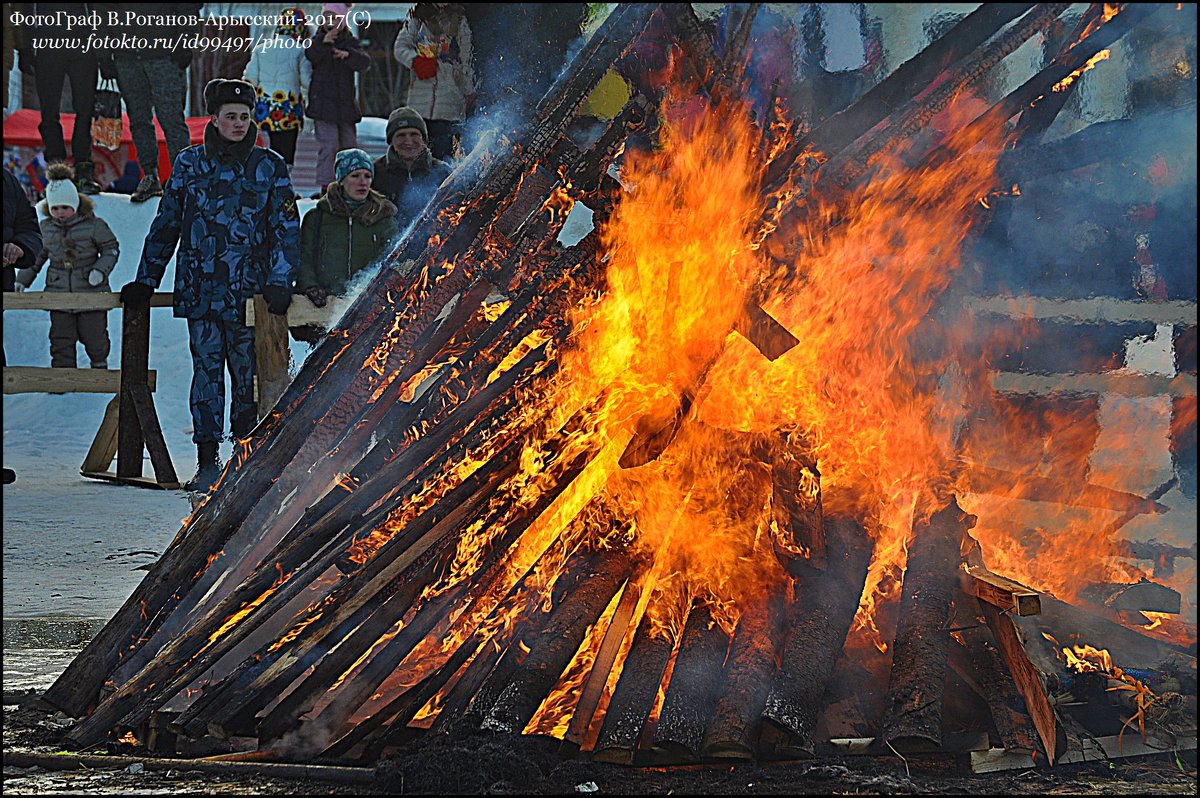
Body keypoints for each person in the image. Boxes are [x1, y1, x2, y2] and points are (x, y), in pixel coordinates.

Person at [121, 78, 300, 492]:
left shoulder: (269, 166)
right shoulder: (188, 164)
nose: (238, 123)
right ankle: (206, 462)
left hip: (249, 294)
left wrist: (279, 279)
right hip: (200, 290)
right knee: (205, 376)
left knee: (246, 376)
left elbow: (285, 227)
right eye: (230, 117)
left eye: (244, 116)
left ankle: (245, 458)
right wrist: (147, 280)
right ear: (214, 120)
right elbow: (165, 225)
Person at [93, 2, 202, 202]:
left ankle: (184, 179)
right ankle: (150, 177)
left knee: (171, 119)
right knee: (139, 120)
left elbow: (187, 8)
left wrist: (185, 42)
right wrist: (103, 55)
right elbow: (101, 13)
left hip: (165, 55)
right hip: (125, 57)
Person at [14, 162, 117, 369]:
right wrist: (21, 280)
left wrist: (99, 269)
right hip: (58, 290)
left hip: (90, 290)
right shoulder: (45, 228)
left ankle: (99, 367)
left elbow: (110, 248)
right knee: (61, 338)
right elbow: (36, 259)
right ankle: (62, 376)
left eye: (65, 208)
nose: (60, 212)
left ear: (76, 205)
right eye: (55, 208)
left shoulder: (93, 225)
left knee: (95, 335)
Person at [292, 148, 398, 344]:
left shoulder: (383, 218)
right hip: (325, 308)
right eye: (355, 175)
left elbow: (392, 259)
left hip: (369, 310)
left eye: (367, 176)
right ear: (341, 179)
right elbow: (304, 258)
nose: (362, 182)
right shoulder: (318, 218)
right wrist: (310, 286)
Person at [17, 2, 102, 193]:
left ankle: (83, 167)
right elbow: (25, 9)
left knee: (85, 108)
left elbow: (99, 9)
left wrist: (102, 46)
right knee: (49, 111)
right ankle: (57, 165)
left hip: (82, 41)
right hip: (47, 42)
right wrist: (25, 46)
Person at [393, 3, 474, 160]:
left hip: (449, 102)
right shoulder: (416, 18)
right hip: (420, 102)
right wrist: (416, 62)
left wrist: (469, 89)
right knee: (417, 156)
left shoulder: (459, 19)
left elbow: (467, 57)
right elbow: (400, 48)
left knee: (443, 157)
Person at [305, 3, 370, 192]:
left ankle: (349, 184)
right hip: (323, 106)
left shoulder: (350, 42)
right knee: (329, 145)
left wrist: (348, 55)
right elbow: (311, 56)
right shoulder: (317, 40)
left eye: (334, 18)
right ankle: (327, 186)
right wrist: (324, 42)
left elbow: (364, 62)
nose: (330, 23)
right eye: (326, 18)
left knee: (349, 146)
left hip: (345, 106)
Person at [242, 6, 311, 173]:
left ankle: (270, 180)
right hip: (289, 107)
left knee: (272, 147)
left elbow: (249, 79)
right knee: (287, 149)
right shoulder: (300, 50)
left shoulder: (261, 49)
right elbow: (306, 81)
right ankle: (283, 183)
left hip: (265, 107)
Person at [371, 106, 452, 228]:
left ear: (423, 139)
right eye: (401, 135)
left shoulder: (442, 172)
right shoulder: (375, 173)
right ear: (391, 140)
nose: (408, 142)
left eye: (414, 134)